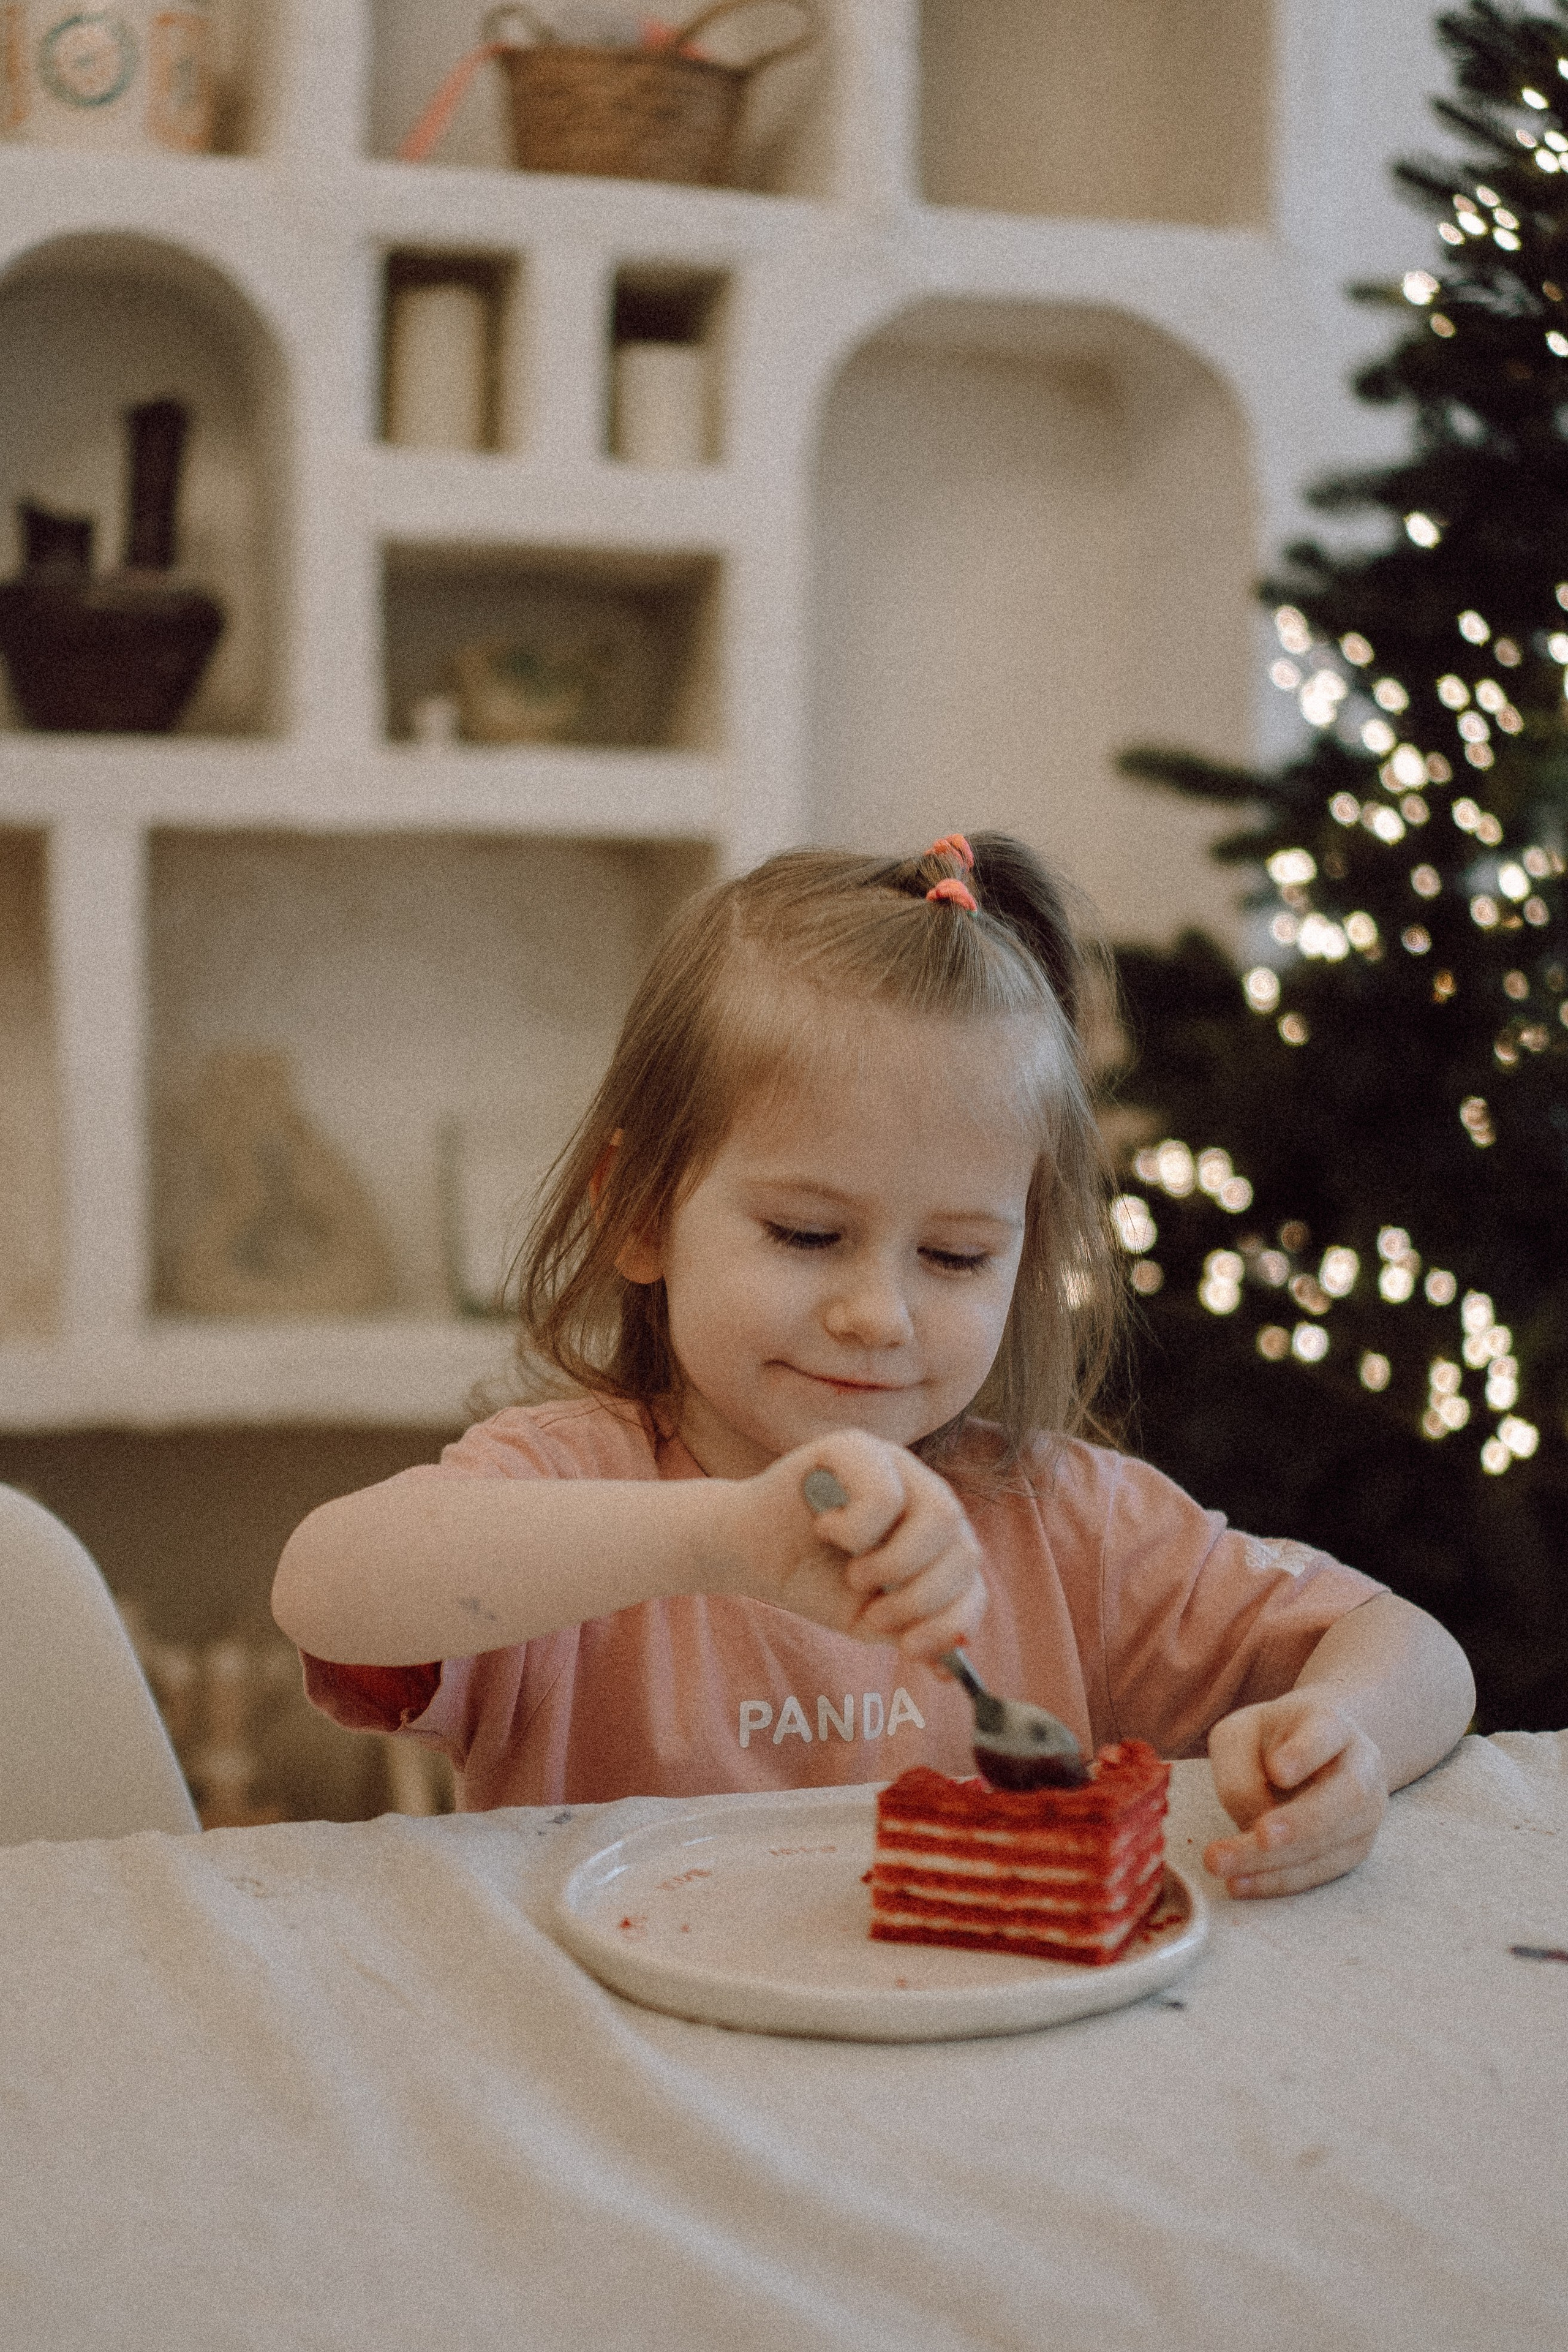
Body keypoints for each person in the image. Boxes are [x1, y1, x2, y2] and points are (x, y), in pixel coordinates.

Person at [273, 832, 1476, 1898]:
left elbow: (1413, 1649)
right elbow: (324, 1588)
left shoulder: (1068, 1530)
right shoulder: (574, 1485)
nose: (875, 1314)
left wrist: (1337, 1735)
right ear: (637, 1214)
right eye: (806, 1235)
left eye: (953, 1256)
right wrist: (720, 1538)